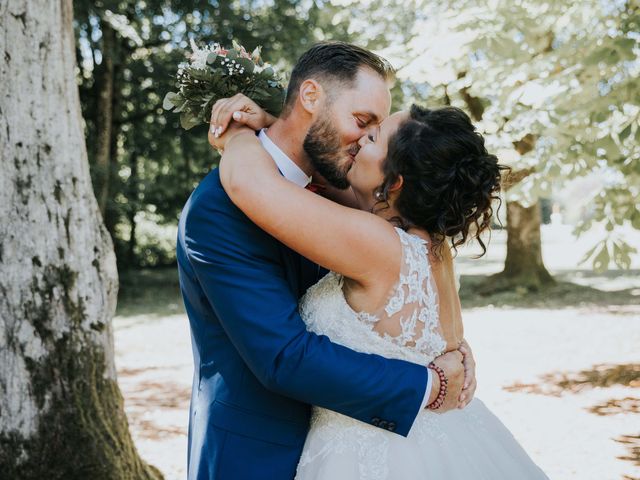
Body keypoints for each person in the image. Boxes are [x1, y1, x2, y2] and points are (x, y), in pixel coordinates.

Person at [177, 41, 475, 480]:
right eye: (362, 121)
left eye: (377, 130)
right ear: (311, 96)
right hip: (257, 455)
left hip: (361, 450)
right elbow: (283, 356)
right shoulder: (217, 209)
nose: (365, 139)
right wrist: (432, 384)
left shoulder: (356, 207)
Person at [209, 101, 549, 478]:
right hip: (439, 439)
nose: (357, 141)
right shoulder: (429, 242)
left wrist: (236, 132)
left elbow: (248, 183)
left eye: (372, 138)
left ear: (395, 182)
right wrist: (275, 126)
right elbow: (328, 184)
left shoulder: (379, 244)